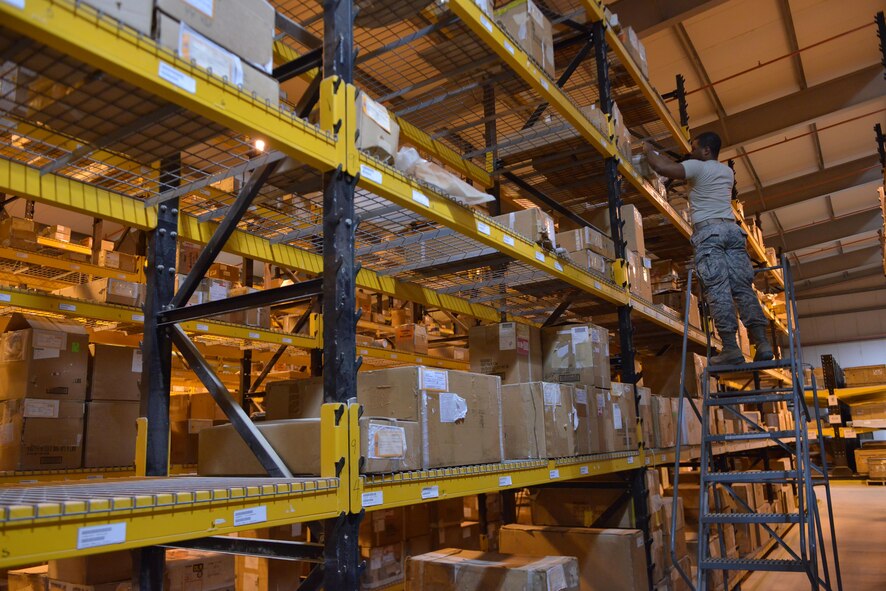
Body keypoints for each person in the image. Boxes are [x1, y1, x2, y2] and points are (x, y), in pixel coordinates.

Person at [644, 132, 774, 365]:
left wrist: (647, 150)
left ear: (706, 151)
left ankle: (731, 348)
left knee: (718, 290)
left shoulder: (698, 167)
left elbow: (663, 168)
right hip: (733, 233)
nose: (690, 152)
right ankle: (762, 343)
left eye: (694, 148)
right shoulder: (726, 172)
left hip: (709, 234)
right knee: (743, 289)